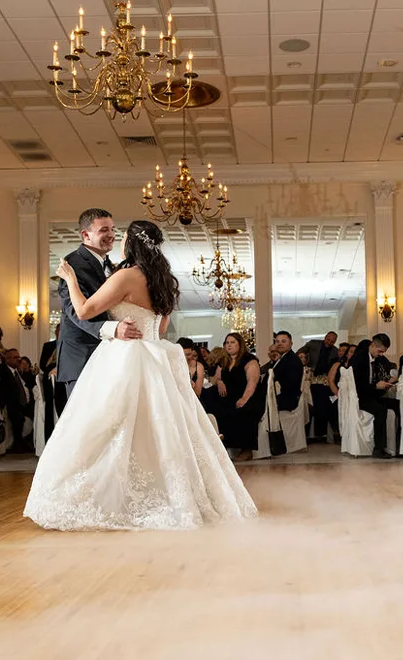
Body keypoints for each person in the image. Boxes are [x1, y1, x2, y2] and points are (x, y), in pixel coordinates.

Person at [24, 220, 257, 531]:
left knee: (110, 427)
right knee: (160, 431)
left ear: (130, 244)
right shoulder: (164, 281)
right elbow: (159, 329)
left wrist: (68, 279)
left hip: (125, 357)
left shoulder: (126, 276)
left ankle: (115, 498)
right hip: (155, 356)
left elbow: (83, 311)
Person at [56, 208, 142, 398]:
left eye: (112, 229)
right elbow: (76, 311)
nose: (111, 235)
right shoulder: (73, 264)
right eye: (104, 230)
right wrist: (114, 329)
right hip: (82, 358)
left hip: (107, 356)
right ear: (85, 235)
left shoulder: (111, 266)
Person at [213, 333, 264, 462]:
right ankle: (221, 446)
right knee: (214, 408)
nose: (229, 345)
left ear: (240, 344)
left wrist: (244, 399)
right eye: (227, 342)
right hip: (229, 396)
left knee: (244, 411)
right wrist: (220, 382)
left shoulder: (249, 360)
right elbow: (217, 377)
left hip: (248, 395)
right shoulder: (223, 360)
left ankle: (246, 449)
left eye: (232, 342)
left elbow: (252, 382)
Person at [350, 333, 400, 459]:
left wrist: (387, 383)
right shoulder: (359, 359)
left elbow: (389, 367)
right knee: (380, 410)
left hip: (372, 395)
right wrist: (376, 386)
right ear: (372, 345)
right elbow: (359, 387)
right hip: (361, 398)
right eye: (380, 351)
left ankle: (399, 445)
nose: (382, 354)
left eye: (383, 352)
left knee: (397, 404)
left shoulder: (377, 358)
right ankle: (378, 448)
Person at [298, 332, 339, 439]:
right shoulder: (313, 344)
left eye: (332, 341)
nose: (329, 342)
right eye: (328, 339)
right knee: (309, 404)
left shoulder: (335, 352)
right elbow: (299, 352)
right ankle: (306, 435)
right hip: (309, 379)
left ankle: (320, 433)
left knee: (322, 406)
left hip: (324, 381)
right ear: (325, 338)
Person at [273, 331, 304, 412]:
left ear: (291, 343)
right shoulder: (283, 358)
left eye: (283, 341)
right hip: (281, 396)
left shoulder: (292, 361)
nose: (279, 344)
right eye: (277, 341)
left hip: (287, 400)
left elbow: (289, 387)